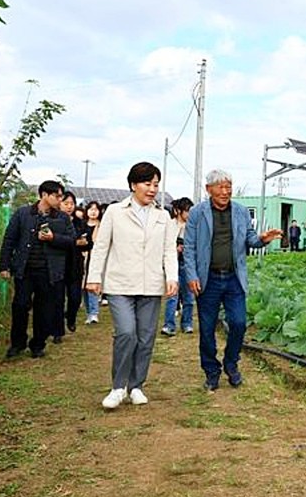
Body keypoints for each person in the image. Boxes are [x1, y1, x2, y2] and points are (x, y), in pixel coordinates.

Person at [85, 162, 178, 409]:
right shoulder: (115, 212)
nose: (152, 189)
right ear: (133, 185)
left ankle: (136, 385)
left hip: (151, 286)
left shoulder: (163, 215)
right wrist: (94, 277)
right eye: (147, 184)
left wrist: (172, 277)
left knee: (146, 338)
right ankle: (118, 387)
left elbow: (169, 250)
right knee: (127, 332)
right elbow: (102, 246)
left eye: (156, 185)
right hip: (120, 284)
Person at [183, 170, 282, 391]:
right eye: (220, 187)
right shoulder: (197, 213)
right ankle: (211, 371)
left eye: (228, 186)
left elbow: (250, 238)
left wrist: (263, 240)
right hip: (207, 279)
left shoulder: (240, 211)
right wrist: (191, 275)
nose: (225, 191)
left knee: (238, 322)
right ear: (209, 189)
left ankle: (231, 362)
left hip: (233, 278)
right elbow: (189, 247)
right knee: (207, 329)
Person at [0, 180, 75, 359]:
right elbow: (9, 240)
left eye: (60, 196)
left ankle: (38, 344)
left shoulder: (62, 218)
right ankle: (17, 343)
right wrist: (4, 265)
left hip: (49, 271)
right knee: (20, 305)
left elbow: (71, 240)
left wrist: (53, 238)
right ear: (43, 195)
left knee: (44, 309)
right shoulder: (23, 214)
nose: (59, 200)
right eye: (56, 196)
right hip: (24, 269)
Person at [56, 191, 90, 340]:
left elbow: (88, 244)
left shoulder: (80, 222)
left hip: (75, 265)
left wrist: (85, 243)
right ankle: (57, 332)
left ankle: (70, 317)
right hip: (58, 265)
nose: (69, 207)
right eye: (66, 203)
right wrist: (73, 242)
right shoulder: (55, 221)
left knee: (75, 298)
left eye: (72, 203)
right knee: (57, 299)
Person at [161, 197, 195, 337]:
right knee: (172, 296)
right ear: (179, 211)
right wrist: (176, 249)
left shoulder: (193, 226)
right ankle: (169, 325)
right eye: (187, 211)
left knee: (188, 296)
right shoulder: (170, 224)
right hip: (173, 263)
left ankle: (187, 323)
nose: (189, 214)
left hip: (188, 264)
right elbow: (164, 245)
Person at [82, 201, 103, 324]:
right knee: (84, 286)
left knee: (92, 283)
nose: (93, 211)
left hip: (95, 257)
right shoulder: (82, 225)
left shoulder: (102, 226)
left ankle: (94, 313)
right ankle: (89, 312)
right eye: (90, 209)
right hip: (83, 258)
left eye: (96, 209)